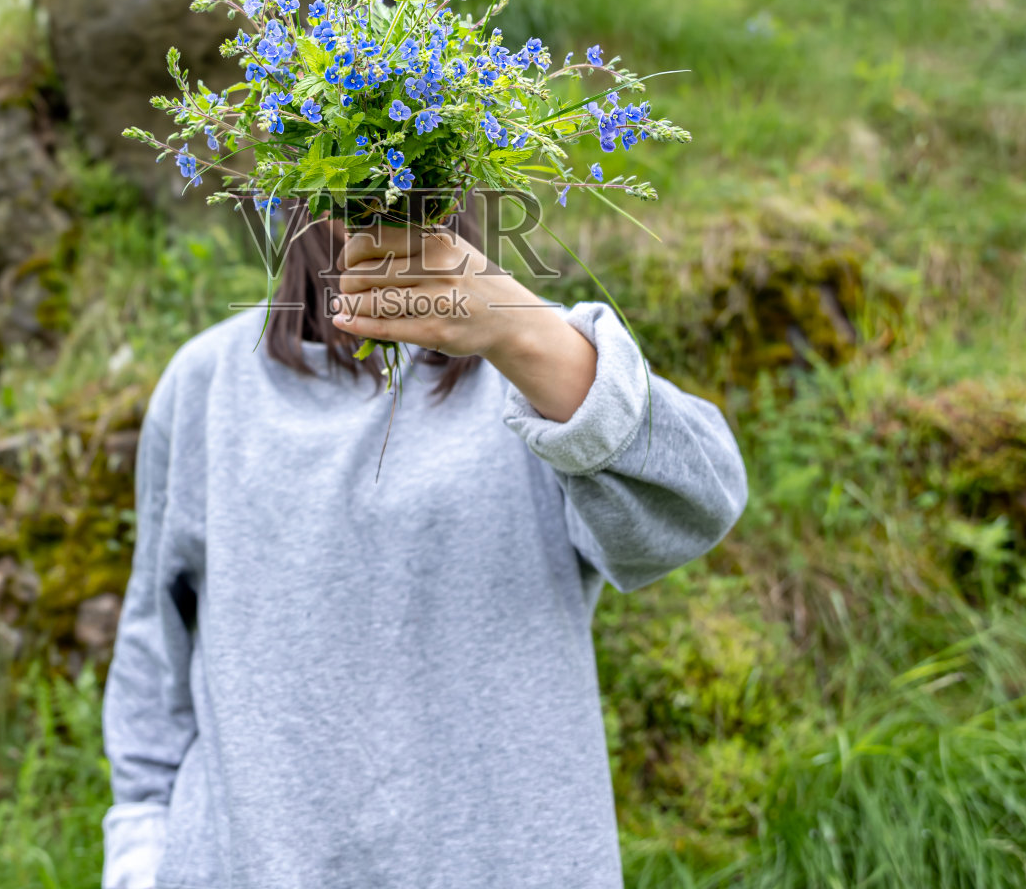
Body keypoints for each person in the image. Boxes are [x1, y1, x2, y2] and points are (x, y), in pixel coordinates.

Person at [101, 205, 748, 889]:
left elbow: (698, 504)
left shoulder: (527, 362)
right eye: (336, 145)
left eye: (402, 147)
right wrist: (140, 859)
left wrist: (522, 333)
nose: (373, 191)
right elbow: (155, 662)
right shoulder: (208, 385)